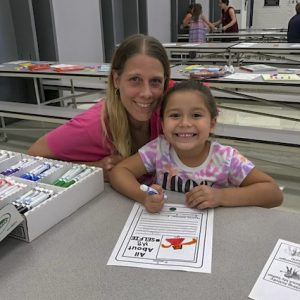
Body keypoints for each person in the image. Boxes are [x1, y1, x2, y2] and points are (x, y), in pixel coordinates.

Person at [109, 80, 283, 213]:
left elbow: (274, 194)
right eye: (175, 115)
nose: (185, 123)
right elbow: (119, 172)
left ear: (212, 124)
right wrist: (144, 196)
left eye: (196, 115)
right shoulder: (159, 149)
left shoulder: (226, 158)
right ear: (162, 124)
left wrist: (221, 196)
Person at [27, 34, 170, 181]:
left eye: (155, 81)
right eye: (135, 79)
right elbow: (33, 157)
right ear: (116, 80)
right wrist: (94, 169)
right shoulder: (93, 125)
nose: (146, 93)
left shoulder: (172, 109)